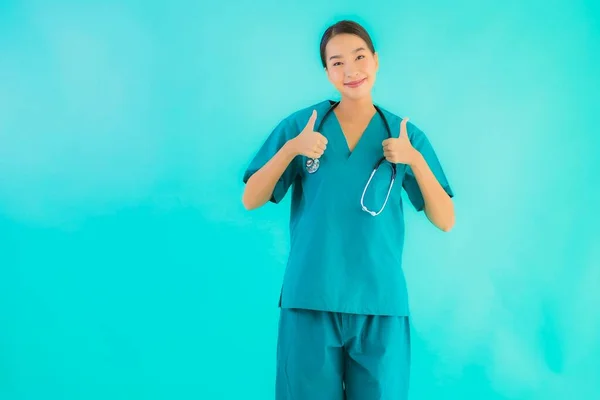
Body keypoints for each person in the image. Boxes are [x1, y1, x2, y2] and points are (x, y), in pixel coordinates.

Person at [241, 19, 455, 400]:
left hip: (380, 305)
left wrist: (415, 161)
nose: (350, 70)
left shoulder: (403, 135)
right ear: (326, 71)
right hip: (310, 300)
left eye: (359, 57)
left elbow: (445, 220)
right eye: (336, 62)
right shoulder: (304, 127)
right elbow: (252, 198)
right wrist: (291, 149)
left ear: (376, 60)